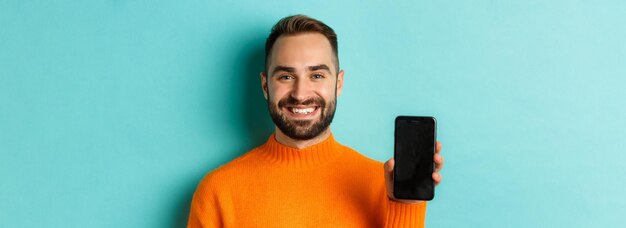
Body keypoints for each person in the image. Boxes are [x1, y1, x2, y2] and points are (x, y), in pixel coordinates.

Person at [187, 14, 444, 227]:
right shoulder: (218, 192)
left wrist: (406, 207)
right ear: (265, 86)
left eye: (317, 75)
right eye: (286, 77)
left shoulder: (384, 185)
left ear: (339, 83)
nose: (300, 94)